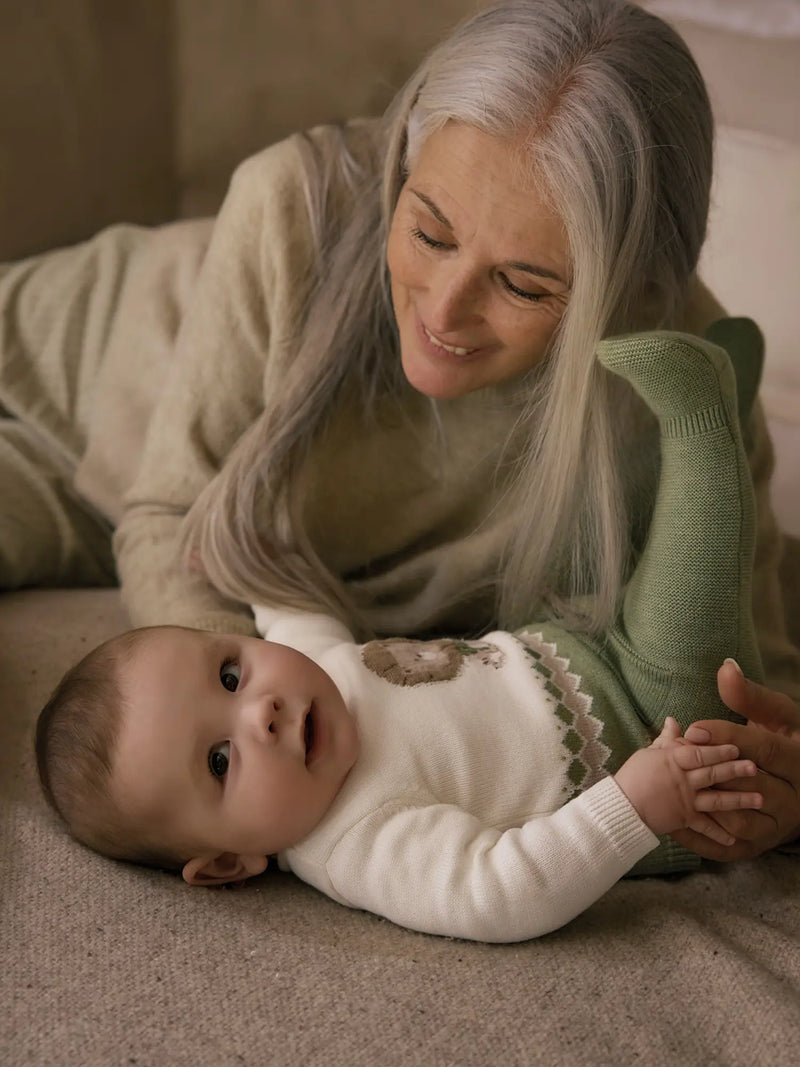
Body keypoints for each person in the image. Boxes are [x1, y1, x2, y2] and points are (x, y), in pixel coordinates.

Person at [5, 1, 800, 854]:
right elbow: (169, 516)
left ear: (633, 289)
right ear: (406, 160)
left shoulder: (685, 385)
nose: (444, 310)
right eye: (429, 231)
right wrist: (264, 781)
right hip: (55, 382)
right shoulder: (289, 206)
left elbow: (757, 688)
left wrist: (781, 785)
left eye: (523, 284)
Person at [35, 332, 769, 942]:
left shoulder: (312, 675)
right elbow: (495, 894)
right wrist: (635, 804)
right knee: (690, 570)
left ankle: (706, 415)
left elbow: (293, 614)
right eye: (220, 760)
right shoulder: (357, 842)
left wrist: (244, 564)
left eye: (229, 675)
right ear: (230, 861)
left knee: (600, 517)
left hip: (578, 638)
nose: (260, 711)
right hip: (658, 728)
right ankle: (703, 419)